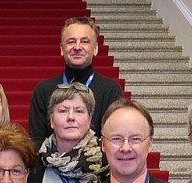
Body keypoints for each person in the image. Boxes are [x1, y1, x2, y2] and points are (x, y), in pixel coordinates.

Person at [28, 16, 123, 147]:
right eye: (71, 41)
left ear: (95, 48)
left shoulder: (111, 90)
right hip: (52, 160)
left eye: (84, 41)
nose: (77, 47)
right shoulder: (43, 90)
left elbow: (115, 140)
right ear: (62, 48)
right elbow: (36, 143)